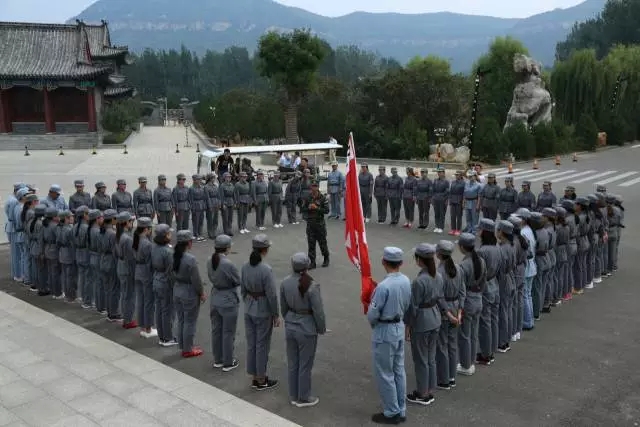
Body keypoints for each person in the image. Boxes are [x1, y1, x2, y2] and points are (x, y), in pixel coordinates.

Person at [367, 247, 411, 424]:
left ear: (384, 262)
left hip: (384, 329)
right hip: (399, 325)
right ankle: (400, 408)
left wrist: (373, 324)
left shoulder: (383, 286)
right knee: (398, 370)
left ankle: (391, 411)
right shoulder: (406, 280)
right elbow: (408, 303)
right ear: (400, 263)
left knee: (385, 372)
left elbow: (372, 314)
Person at [281, 252, 326, 407]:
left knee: (293, 362)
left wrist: (289, 319)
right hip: (307, 327)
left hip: (290, 324)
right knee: (305, 364)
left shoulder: (285, 282)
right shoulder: (312, 286)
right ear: (307, 267)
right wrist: (321, 328)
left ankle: (294, 395)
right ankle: (304, 397)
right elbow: (318, 312)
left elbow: (283, 307)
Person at [241, 234, 280, 390]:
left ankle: (254, 375)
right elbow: (271, 294)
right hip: (263, 309)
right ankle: (261, 378)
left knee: (252, 344)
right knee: (262, 345)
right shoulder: (266, 269)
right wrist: (276, 314)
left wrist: (248, 300)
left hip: (249, 306)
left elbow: (243, 289)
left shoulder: (245, 266)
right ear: (265, 249)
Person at [405, 243, 442, 406]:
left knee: (420, 359)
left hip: (422, 321)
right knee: (431, 357)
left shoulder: (419, 281)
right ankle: (430, 388)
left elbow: (413, 307)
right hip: (435, 317)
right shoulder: (438, 276)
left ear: (420, 259)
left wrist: (408, 326)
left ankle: (422, 392)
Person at [435, 240, 464, 389]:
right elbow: (462, 292)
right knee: (452, 344)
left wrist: (448, 314)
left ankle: (444, 378)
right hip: (456, 308)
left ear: (439, 254)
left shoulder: (439, 273)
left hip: (445, 311)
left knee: (442, 345)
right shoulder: (458, 268)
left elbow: (439, 297)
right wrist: (459, 313)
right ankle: (452, 376)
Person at [209, 234, 241, 371]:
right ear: (227, 248)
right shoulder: (228, 264)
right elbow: (237, 280)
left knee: (216, 330)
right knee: (228, 332)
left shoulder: (210, 260)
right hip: (227, 298)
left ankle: (218, 359)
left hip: (215, 295)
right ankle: (228, 361)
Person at [456, 233, 486, 376]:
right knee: (473, 333)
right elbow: (484, 281)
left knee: (465, 335)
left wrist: (459, 307)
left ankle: (466, 364)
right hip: (478, 298)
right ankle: (471, 360)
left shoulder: (463, 265)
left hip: (468, 301)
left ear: (462, 247)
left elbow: (460, 289)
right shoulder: (481, 260)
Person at [173, 230, 206, 358]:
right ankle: (188, 348)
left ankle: (183, 344)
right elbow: (196, 280)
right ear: (189, 243)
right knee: (190, 321)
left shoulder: (174, 255)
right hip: (188, 291)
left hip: (177, 289)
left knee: (181, 319)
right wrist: (201, 292)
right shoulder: (190, 259)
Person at [476, 218, 501, 366]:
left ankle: (486, 354)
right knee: (493, 319)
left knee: (485, 321)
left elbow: (478, 273)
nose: (478, 232)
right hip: (495, 284)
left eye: (480, 230)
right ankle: (491, 349)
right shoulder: (497, 247)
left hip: (485, 286)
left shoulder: (482, 251)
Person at [152, 224, 177, 346]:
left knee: (159, 309)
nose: (171, 235)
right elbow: (171, 272)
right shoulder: (168, 251)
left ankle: (162, 336)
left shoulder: (154, 247)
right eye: (169, 233)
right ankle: (167, 337)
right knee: (167, 310)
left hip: (156, 279)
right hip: (165, 282)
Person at [495, 220, 516, 353]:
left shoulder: (502, 249)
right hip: (510, 279)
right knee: (507, 311)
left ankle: (502, 342)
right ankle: (506, 339)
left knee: (503, 312)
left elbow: (499, 268)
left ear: (501, 232)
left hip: (503, 281)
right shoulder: (510, 245)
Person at [134, 217, 156, 338]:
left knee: (141, 300)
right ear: (147, 229)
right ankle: (148, 327)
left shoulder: (136, 240)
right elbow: (150, 262)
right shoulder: (147, 243)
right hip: (146, 273)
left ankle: (142, 325)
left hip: (138, 270)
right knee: (148, 301)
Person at [115, 212, 138, 329]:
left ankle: (125, 317)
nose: (132, 223)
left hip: (121, 266)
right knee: (129, 295)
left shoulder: (118, 235)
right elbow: (131, 258)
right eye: (130, 221)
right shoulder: (127, 238)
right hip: (128, 269)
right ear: (126, 222)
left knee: (124, 294)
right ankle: (128, 320)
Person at [507, 215, 528, 341]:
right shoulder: (523, 239)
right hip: (522, 269)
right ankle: (517, 329)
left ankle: (513, 330)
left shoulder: (513, 243)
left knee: (512, 303)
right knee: (519, 302)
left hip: (514, 272)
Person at [301, 182, 330, 269]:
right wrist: (308, 208)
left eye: (315, 186)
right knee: (311, 244)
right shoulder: (307, 198)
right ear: (310, 187)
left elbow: (327, 210)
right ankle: (312, 262)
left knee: (322, 243)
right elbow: (302, 209)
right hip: (310, 224)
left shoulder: (322, 198)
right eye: (312, 186)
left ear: (318, 187)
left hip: (320, 224)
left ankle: (326, 258)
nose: (314, 188)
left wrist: (317, 208)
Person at [516, 209, 537, 331]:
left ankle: (527, 321)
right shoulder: (529, 230)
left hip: (527, 267)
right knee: (528, 294)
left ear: (523, 219)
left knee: (525, 295)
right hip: (531, 266)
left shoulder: (523, 232)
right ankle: (530, 320)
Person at [100, 209, 119, 321]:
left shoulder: (101, 231)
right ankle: (113, 312)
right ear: (112, 219)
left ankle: (109, 311)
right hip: (111, 262)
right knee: (113, 289)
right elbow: (115, 251)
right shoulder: (112, 233)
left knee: (107, 288)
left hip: (103, 259)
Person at [530, 212, 549, 320]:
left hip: (538, 260)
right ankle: (540, 307)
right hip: (545, 258)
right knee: (541, 286)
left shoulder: (535, 233)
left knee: (536, 288)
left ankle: (536, 311)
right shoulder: (545, 230)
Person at [5, 183, 26, 281]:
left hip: (12, 228)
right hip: (14, 229)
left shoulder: (11, 198)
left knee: (16, 254)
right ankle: (18, 274)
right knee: (17, 254)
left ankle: (16, 273)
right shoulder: (14, 201)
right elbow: (11, 217)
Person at [11, 188, 30, 285]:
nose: (28, 196)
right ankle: (27, 278)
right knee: (26, 257)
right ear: (22, 197)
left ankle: (23, 276)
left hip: (18, 234)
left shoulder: (16, 207)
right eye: (26, 195)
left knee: (23, 257)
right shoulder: (22, 208)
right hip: (23, 234)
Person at [87, 210, 105, 310]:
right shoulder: (97, 231)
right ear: (96, 219)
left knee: (97, 282)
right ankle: (101, 306)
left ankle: (98, 303)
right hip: (98, 257)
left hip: (92, 256)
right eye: (101, 217)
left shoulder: (90, 229)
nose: (103, 219)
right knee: (100, 283)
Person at [57, 210, 76, 302]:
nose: (73, 218)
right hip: (68, 253)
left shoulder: (59, 228)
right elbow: (72, 244)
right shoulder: (69, 229)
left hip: (62, 252)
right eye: (71, 216)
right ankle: (70, 296)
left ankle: (66, 293)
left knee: (65, 275)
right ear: (66, 218)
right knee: (70, 276)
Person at [27, 204, 47, 293]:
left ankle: (34, 284)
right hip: (38, 248)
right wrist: (42, 251)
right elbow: (40, 239)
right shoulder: (40, 224)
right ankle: (41, 287)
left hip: (32, 246)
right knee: (41, 270)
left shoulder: (31, 221)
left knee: (34, 268)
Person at [541, 208, 557, 312]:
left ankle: (545, 303)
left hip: (547, 255)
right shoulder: (553, 228)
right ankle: (548, 301)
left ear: (547, 218)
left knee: (545, 282)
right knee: (549, 280)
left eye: (543, 216)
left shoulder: (547, 230)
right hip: (552, 254)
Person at [42, 207, 60, 298]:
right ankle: (57, 292)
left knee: (50, 272)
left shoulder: (45, 224)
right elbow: (59, 239)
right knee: (55, 272)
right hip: (54, 249)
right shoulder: (55, 226)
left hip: (47, 248)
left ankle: (52, 290)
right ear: (53, 217)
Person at [561, 200, 577, 301]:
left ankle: (567, 292)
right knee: (570, 269)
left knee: (566, 271)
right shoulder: (574, 218)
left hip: (569, 245)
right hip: (574, 243)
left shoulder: (568, 220)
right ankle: (570, 289)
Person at [554, 207, 570, 307]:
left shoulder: (557, 228)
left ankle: (557, 296)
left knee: (557, 277)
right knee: (561, 275)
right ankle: (561, 294)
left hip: (558, 251)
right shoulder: (566, 227)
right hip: (564, 250)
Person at [74, 206, 90, 303]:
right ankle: (86, 298)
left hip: (78, 252)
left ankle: (80, 295)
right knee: (88, 278)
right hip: (85, 253)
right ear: (84, 215)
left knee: (81, 276)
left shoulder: (75, 226)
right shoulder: (86, 228)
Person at [432, 167, 449, 234]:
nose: (438, 173)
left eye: (440, 172)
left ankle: (441, 227)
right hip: (436, 198)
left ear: (443, 173)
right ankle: (437, 226)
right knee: (436, 213)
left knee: (442, 214)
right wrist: (433, 198)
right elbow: (433, 190)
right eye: (438, 172)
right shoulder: (435, 180)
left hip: (442, 199)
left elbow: (447, 191)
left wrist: (446, 199)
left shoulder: (446, 181)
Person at [204, 173, 221, 238]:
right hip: (210, 203)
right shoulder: (206, 187)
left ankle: (214, 231)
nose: (214, 179)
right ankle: (210, 233)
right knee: (210, 219)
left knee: (215, 219)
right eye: (213, 178)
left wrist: (219, 203)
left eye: (214, 178)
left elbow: (218, 195)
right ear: (210, 179)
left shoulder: (215, 186)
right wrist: (210, 206)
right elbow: (207, 197)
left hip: (216, 203)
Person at [448, 171, 465, 235]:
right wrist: (450, 199)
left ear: (461, 176)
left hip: (459, 200)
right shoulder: (453, 182)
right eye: (456, 175)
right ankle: (453, 229)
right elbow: (450, 192)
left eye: (458, 175)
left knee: (459, 216)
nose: (457, 176)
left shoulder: (463, 183)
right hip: (453, 200)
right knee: (452, 216)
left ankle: (458, 229)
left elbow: (464, 193)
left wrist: (463, 202)